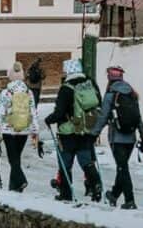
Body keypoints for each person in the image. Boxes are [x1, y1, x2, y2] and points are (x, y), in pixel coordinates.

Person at [89, 64, 143, 210]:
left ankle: (130, 200)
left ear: (110, 79)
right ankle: (114, 195)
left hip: (117, 137)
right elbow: (138, 117)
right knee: (122, 168)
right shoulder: (131, 94)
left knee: (123, 168)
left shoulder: (111, 95)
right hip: (131, 138)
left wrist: (94, 134)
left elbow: (103, 117)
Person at [43, 58, 104, 202]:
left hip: (68, 132)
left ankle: (66, 194)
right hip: (86, 130)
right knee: (86, 160)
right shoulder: (90, 83)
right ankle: (95, 184)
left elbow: (59, 112)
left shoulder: (66, 88)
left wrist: (49, 119)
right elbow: (98, 103)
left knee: (65, 163)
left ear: (67, 71)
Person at [0, 61, 41, 192]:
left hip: (9, 130)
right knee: (16, 158)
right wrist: (35, 131)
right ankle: (14, 186)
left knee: (13, 159)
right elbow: (33, 112)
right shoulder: (28, 92)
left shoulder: (6, 92)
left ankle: (21, 180)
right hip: (24, 129)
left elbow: (1, 112)